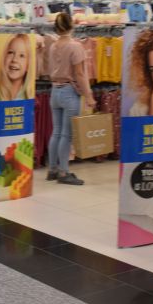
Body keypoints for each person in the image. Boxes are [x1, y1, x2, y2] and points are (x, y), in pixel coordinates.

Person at [47, 12, 95, 185]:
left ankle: (52, 169)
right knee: (66, 135)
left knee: (56, 132)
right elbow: (80, 74)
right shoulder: (75, 46)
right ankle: (64, 172)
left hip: (54, 91)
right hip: (69, 92)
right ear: (72, 25)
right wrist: (88, 95)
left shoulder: (53, 46)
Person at [0, 34, 32, 101]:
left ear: (28, 65)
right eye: (11, 52)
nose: (14, 59)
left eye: (21, 55)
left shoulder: (30, 96)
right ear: (4, 58)